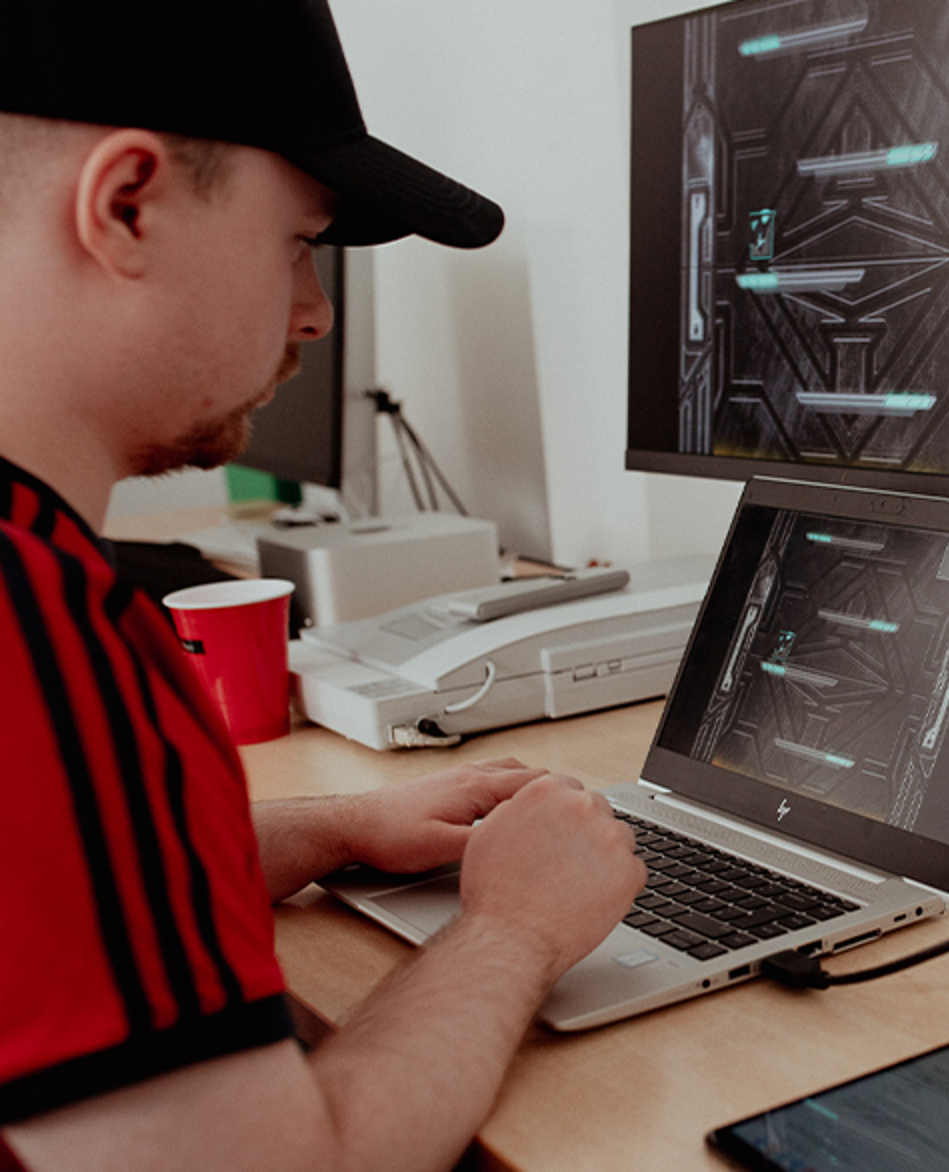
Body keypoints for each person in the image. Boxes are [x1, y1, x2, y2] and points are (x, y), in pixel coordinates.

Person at [0, 3, 646, 1170]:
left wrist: (332, 824)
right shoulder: (35, 634)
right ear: (127, 205)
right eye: (297, 239)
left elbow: (45, 884)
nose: (316, 308)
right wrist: (514, 927)